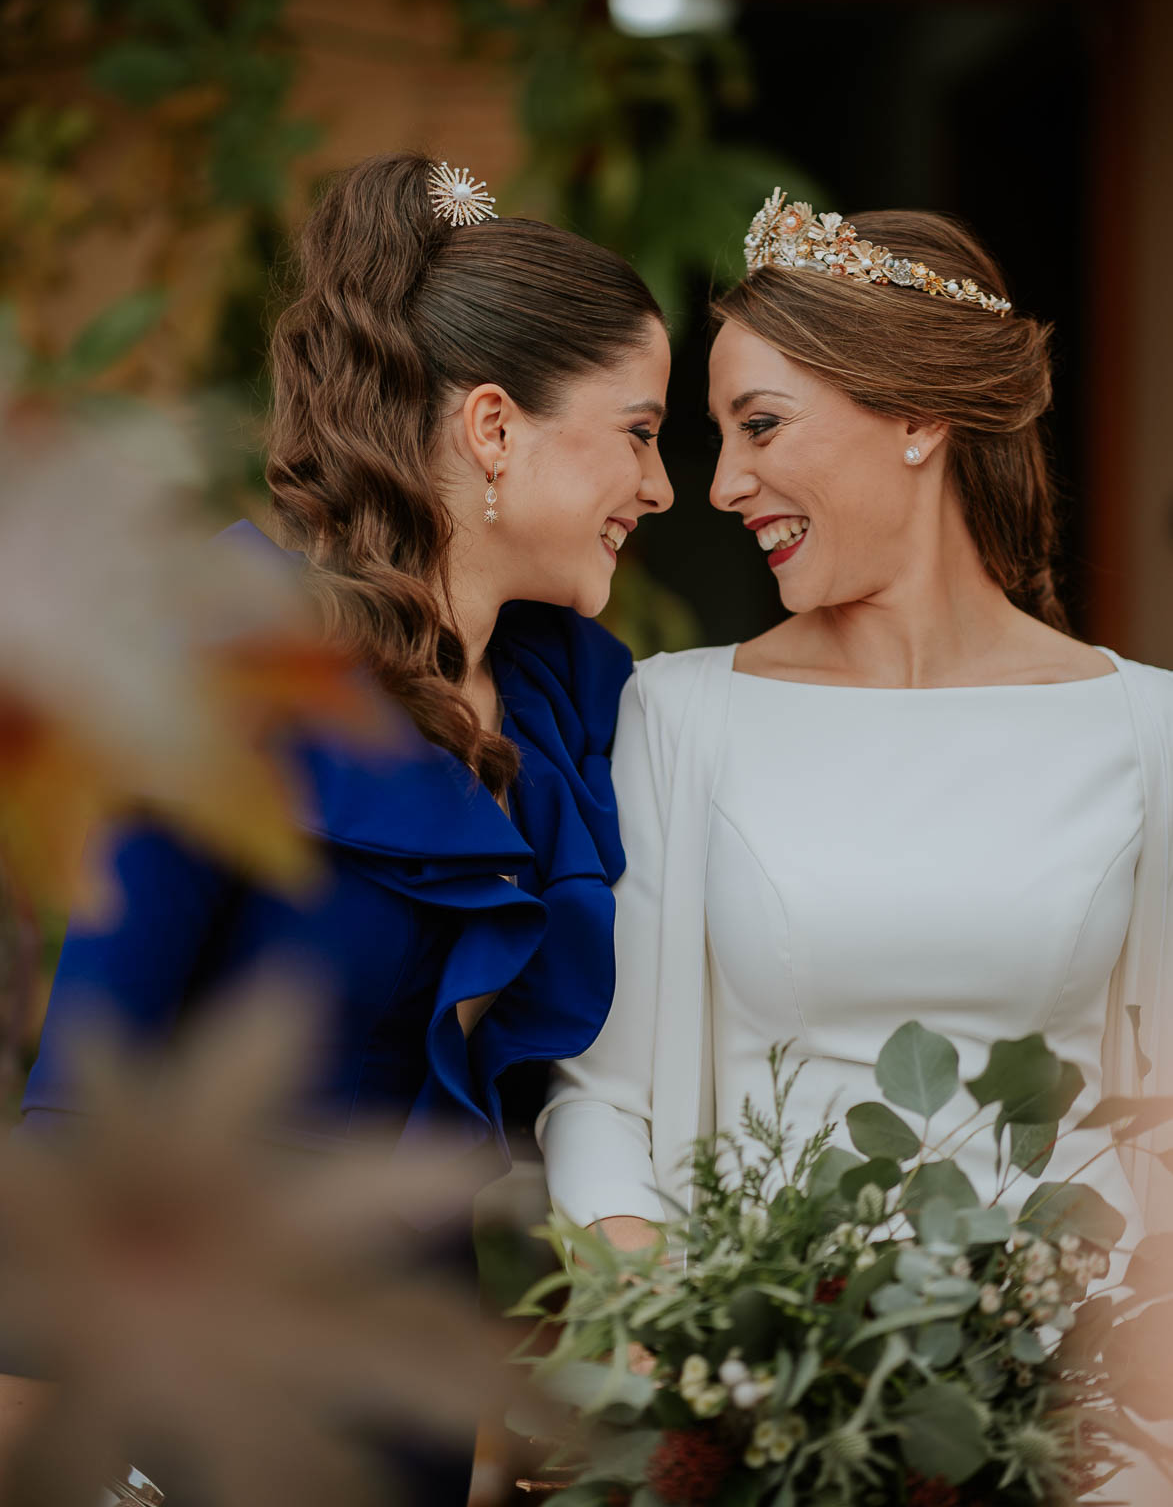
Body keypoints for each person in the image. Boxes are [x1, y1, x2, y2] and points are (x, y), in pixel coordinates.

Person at [13, 152, 673, 1499]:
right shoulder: (223, 665)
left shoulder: (576, 704)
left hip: (417, 1390)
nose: (661, 488)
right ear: (494, 428)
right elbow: (82, 1093)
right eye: (643, 431)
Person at [539, 194, 1173, 1282]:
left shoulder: (1147, 727)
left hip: (1077, 1404)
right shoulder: (679, 715)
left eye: (763, 424)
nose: (724, 483)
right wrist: (676, 1353)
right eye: (719, 435)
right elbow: (602, 1098)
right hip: (760, 1385)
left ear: (919, 417)